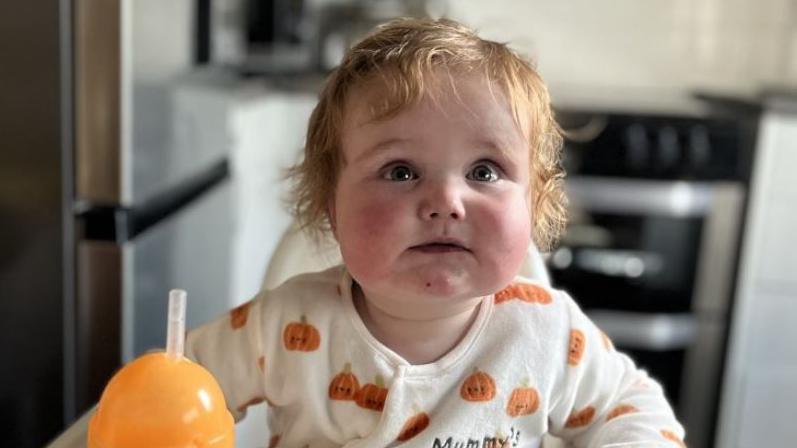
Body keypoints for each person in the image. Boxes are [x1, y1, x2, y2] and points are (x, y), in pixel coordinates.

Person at [186, 17, 686, 448]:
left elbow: (636, 411)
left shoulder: (548, 335)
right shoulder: (283, 327)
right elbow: (172, 388)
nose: (447, 202)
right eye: (400, 171)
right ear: (330, 209)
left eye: (484, 172)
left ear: (535, 205)